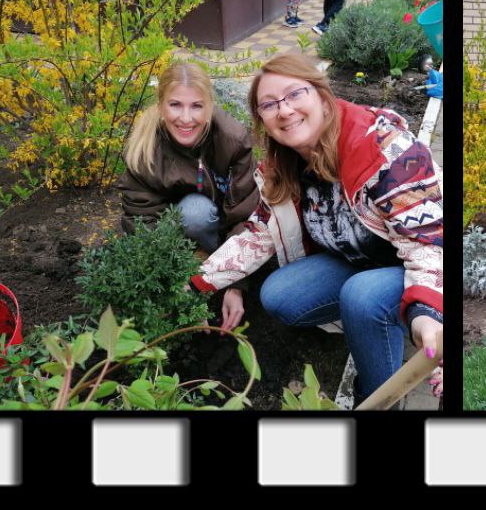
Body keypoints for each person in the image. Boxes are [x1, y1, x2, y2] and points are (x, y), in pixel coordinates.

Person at [189, 55, 443, 402]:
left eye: (295, 94)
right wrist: (194, 283)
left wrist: (428, 312)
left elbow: (428, 242)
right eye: (269, 104)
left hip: (416, 265)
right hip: (357, 261)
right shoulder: (284, 164)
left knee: (363, 296)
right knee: (279, 295)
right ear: (262, 119)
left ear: (322, 96)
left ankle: (377, 395)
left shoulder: (380, 146)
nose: (284, 110)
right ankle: (373, 322)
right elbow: (259, 233)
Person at [119, 62, 259, 252]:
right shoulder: (145, 147)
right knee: (193, 212)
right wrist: (162, 269)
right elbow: (142, 217)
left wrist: (231, 273)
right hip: (171, 232)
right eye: (175, 104)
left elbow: (245, 213)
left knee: (195, 213)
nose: (185, 118)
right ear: (160, 106)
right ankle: (191, 257)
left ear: (209, 107)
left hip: (223, 229)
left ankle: (214, 257)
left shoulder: (233, 140)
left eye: (196, 106)